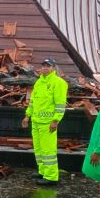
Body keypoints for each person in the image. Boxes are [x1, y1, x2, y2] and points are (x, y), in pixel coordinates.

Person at [21, 58, 68, 186]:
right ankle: (42, 171)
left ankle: (51, 177)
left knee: (48, 151)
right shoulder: (39, 82)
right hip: (36, 122)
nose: (45, 68)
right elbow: (32, 102)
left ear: (54, 68)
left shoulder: (59, 83)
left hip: (48, 123)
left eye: (48, 66)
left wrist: (56, 120)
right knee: (39, 149)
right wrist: (27, 116)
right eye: (43, 66)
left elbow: (60, 104)